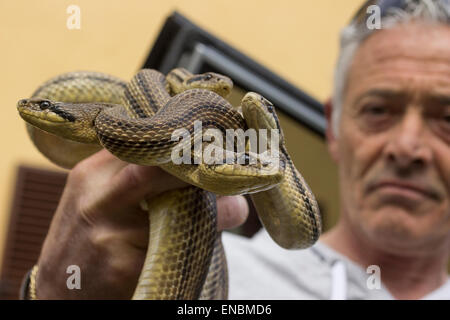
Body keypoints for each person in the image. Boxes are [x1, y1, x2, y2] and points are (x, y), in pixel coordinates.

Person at [22, 0, 450, 299]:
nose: (406, 147)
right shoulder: (226, 271)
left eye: (446, 118)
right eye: (378, 109)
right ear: (335, 127)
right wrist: (57, 292)